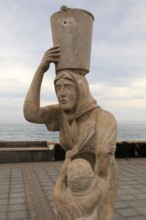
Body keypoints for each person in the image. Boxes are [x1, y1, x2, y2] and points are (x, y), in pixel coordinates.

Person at [23, 46, 119, 220]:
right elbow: (31, 114)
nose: (61, 93)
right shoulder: (61, 115)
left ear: (81, 89)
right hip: (72, 177)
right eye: (58, 87)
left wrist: (95, 191)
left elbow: (104, 157)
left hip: (100, 175)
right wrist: (41, 70)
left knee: (102, 216)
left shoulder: (103, 118)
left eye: (67, 87)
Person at [53, 150, 104, 220]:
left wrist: (67, 159)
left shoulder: (58, 196)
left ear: (68, 178)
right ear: (91, 179)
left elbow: (62, 177)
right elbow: (100, 177)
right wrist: (99, 159)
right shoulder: (93, 197)